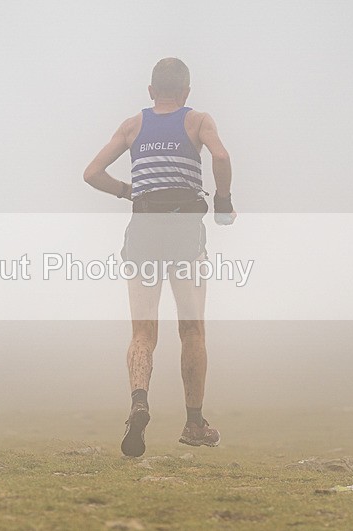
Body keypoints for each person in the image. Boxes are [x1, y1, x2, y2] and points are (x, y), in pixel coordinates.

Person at [83, 58, 235, 457]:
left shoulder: (133, 125)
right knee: (192, 332)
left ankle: (138, 401)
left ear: (151, 92)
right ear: (186, 92)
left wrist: (126, 191)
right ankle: (194, 422)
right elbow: (220, 157)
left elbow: (92, 173)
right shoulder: (197, 120)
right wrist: (223, 202)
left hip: (144, 232)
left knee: (143, 334)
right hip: (185, 232)